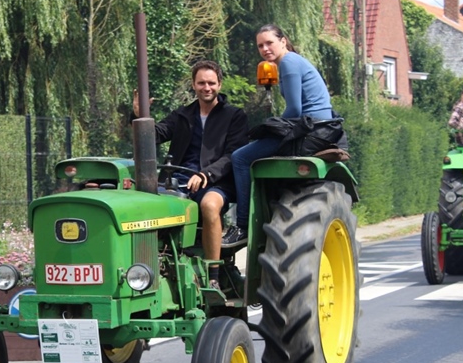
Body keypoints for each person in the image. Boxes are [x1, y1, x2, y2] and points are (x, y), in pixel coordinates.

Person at [134, 60, 248, 289]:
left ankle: (213, 276)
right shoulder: (182, 115)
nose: (207, 88)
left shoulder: (234, 116)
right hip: (180, 179)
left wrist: (206, 174)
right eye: (201, 83)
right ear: (194, 85)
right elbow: (155, 135)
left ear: (220, 84)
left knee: (209, 205)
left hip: (217, 181)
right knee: (144, 205)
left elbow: (233, 155)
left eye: (211, 83)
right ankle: (149, 270)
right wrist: (137, 116)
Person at [223, 24, 335, 247]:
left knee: (240, 158)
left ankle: (242, 226)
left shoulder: (289, 62)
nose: (265, 49)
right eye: (260, 46)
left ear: (283, 41)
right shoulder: (288, 63)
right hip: (313, 126)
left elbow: (294, 110)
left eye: (269, 43)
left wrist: (272, 127)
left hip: (311, 130)